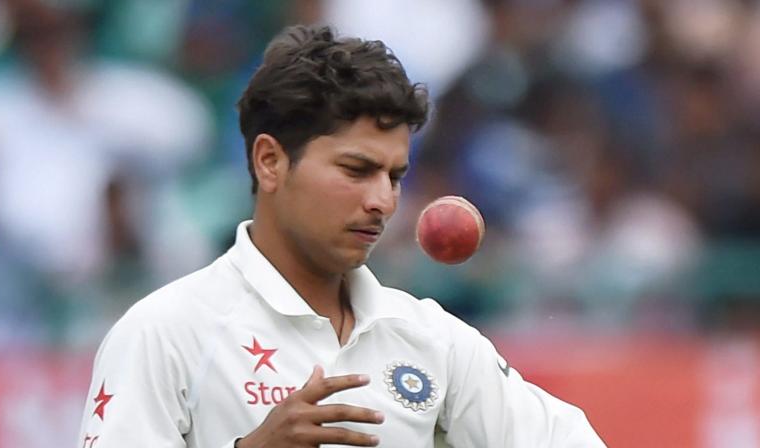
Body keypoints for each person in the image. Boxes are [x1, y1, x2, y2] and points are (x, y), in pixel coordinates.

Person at [77, 25, 606, 447]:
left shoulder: (431, 339)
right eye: (356, 170)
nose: (383, 201)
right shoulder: (165, 332)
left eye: (394, 176)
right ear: (270, 162)